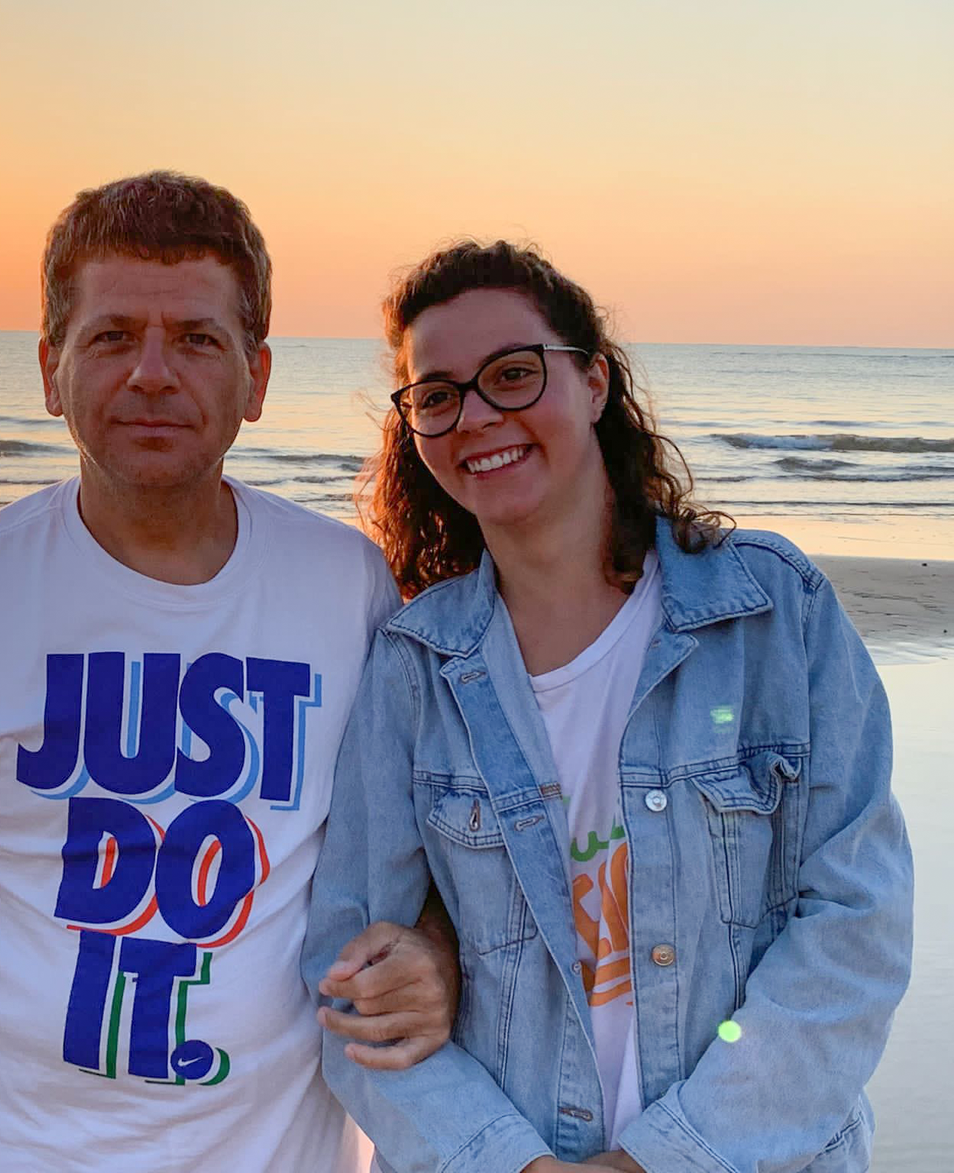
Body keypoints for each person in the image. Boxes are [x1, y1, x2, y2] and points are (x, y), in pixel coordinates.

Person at [0, 172, 457, 1173]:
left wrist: (436, 956)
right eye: (111, 336)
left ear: (258, 377)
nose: (152, 373)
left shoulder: (347, 588)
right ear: (51, 370)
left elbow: (428, 860)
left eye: (197, 339)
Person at [303, 240, 914, 1173]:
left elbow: (854, 930)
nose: (477, 416)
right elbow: (353, 981)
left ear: (593, 382)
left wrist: (660, 1159)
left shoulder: (774, 616)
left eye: (513, 374)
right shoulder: (411, 669)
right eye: (438, 395)